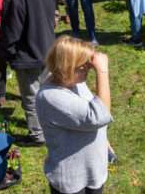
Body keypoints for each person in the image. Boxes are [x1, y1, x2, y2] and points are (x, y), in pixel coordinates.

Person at [36, 36, 112, 194]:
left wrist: (103, 139)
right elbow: (98, 117)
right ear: (67, 68)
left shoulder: (73, 82)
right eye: (84, 65)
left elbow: (89, 109)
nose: (89, 68)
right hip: (71, 178)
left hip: (92, 169)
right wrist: (102, 72)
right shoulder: (51, 96)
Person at [0, 0, 56, 147]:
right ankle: (52, 126)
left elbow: (10, 31)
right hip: (48, 47)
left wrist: (8, 54)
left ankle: (38, 136)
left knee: (31, 97)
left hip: (27, 54)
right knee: (48, 92)